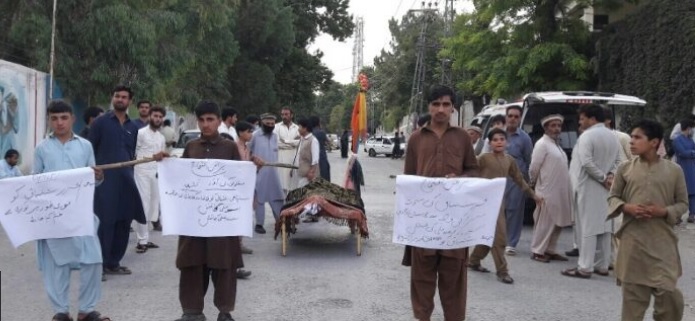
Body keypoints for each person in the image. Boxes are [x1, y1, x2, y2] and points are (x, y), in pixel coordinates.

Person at [402, 85, 479, 321]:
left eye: (446, 104)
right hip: (424, 224)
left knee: (453, 282)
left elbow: (473, 171)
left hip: (453, 224)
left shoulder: (463, 137)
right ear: (429, 107)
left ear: (453, 108)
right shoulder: (416, 139)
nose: (441, 109)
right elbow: (409, 181)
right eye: (436, 104)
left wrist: (460, 180)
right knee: (422, 280)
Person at [34, 100, 110, 321]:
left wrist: (99, 176)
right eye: (54, 118)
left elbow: (93, 181)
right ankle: (61, 311)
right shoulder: (42, 148)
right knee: (57, 265)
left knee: (93, 260)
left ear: (72, 119)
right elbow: (34, 184)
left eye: (64, 118)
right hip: (53, 217)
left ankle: (86, 311)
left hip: (81, 215)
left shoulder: (85, 146)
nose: (59, 123)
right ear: (49, 120)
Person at [608, 119, 687, 321]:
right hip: (633, 244)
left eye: (637, 137)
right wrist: (628, 207)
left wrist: (663, 212)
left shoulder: (674, 171)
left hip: (663, 243)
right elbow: (613, 197)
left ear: (654, 142)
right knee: (632, 308)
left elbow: (682, 204)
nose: (631, 142)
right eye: (631, 137)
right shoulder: (624, 169)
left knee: (670, 297)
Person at [175, 101, 244, 321]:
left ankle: (225, 312)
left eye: (210, 120)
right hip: (194, 220)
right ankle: (192, 312)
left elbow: (240, 180)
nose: (206, 124)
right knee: (192, 264)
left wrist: (253, 167)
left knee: (224, 265)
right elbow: (180, 179)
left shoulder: (229, 147)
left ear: (219, 121)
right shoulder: (191, 147)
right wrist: (166, 162)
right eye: (202, 120)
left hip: (221, 220)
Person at [468, 128, 542, 284]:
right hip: (483, 203)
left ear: (506, 142)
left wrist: (533, 195)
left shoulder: (509, 160)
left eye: (502, 139)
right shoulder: (483, 158)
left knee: (490, 235)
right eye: (495, 140)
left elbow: (519, 179)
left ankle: (473, 261)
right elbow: (469, 173)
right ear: (490, 143)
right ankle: (503, 271)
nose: (499, 142)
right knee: (500, 237)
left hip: (498, 202)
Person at [88, 85, 146, 276]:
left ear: (130, 101)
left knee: (124, 220)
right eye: (117, 96)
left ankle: (114, 262)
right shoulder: (100, 123)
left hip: (126, 180)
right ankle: (100, 264)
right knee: (105, 222)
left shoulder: (133, 127)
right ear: (113, 98)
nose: (120, 99)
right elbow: (90, 150)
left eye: (124, 97)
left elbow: (132, 153)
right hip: (105, 182)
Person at [561, 104, 621, 279]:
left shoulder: (587, 136)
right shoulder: (612, 135)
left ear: (592, 119)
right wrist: (610, 176)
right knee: (604, 226)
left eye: (582, 118)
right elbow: (618, 160)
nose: (580, 122)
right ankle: (602, 265)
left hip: (588, 186)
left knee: (586, 227)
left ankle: (585, 267)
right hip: (606, 187)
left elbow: (586, 163)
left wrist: (603, 178)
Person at [528, 115, 573, 263]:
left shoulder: (556, 144)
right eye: (553, 126)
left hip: (560, 191)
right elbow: (534, 167)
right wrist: (533, 185)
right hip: (546, 189)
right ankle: (537, 250)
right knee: (545, 222)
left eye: (559, 126)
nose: (556, 129)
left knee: (557, 222)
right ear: (546, 128)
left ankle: (550, 249)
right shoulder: (542, 144)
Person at [133, 106, 168, 253]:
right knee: (143, 204)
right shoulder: (140, 133)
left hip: (155, 173)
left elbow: (161, 157)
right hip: (141, 171)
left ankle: (145, 238)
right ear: (150, 117)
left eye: (160, 117)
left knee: (153, 205)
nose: (158, 119)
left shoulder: (161, 137)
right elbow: (134, 152)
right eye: (155, 116)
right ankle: (141, 241)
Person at [249, 113, 285, 235]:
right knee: (260, 198)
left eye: (272, 124)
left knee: (277, 197)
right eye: (267, 123)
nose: (270, 125)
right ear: (262, 122)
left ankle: (280, 221)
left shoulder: (275, 136)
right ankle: (259, 224)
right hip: (260, 173)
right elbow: (247, 151)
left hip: (273, 172)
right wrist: (253, 159)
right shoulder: (254, 136)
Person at [671, 118, 695, 223]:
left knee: (693, 192)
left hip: (692, 167)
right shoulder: (677, 140)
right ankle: (677, 215)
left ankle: (692, 214)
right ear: (688, 128)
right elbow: (682, 152)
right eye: (692, 128)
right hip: (681, 167)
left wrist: (690, 153)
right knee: (679, 192)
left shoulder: (690, 140)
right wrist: (692, 153)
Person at [274, 107, 300, 193]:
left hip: (294, 160)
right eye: (282, 114)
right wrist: (293, 143)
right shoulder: (276, 127)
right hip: (281, 159)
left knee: (293, 187)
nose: (284, 116)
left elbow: (300, 142)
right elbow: (277, 143)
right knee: (282, 187)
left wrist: (285, 141)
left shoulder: (297, 128)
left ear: (291, 115)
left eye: (286, 114)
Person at [294, 117, 319, 189]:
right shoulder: (302, 139)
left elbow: (315, 159)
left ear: (305, 128)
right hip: (300, 174)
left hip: (308, 176)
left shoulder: (313, 140)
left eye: (299, 127)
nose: (298, 129)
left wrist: (311, 172)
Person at [309, 115, 331, 181]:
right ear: (318, 123)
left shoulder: (309, 133)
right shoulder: (322, 133)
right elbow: (328, 143)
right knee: (324, 178)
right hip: (322, 158)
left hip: (311, 159)